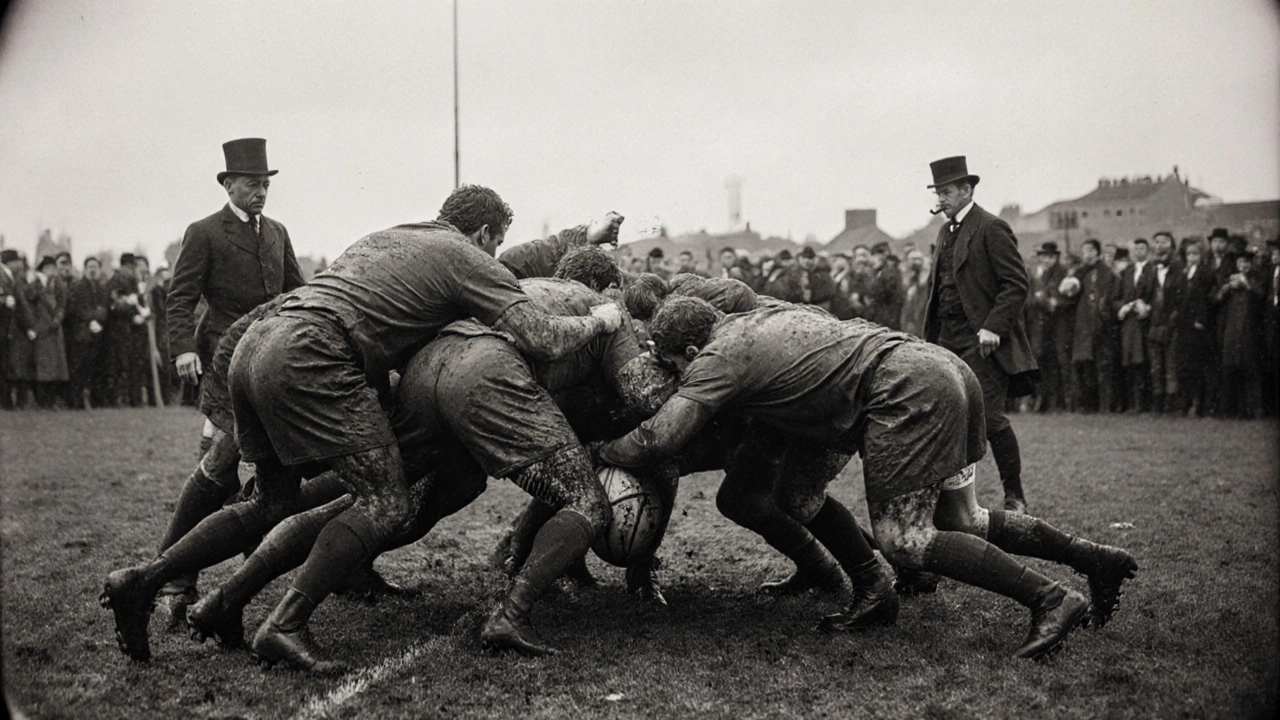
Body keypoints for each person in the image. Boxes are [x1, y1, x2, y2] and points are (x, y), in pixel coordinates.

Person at [101, 185, 624, 670]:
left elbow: (498, 271)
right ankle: (285, 624)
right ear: (484, 235)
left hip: (257, 344)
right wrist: (601, 320)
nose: (493, 255)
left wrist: (580, 236)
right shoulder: (465, 257)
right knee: (386, 502)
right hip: (313, 355)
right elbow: (540, 336)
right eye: (494, 244)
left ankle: (147, 580)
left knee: (270, 502)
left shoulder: (393, 238)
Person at [597, 297, 1135, 660]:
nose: (675, 373)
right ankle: (1092, 558)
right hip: (937, 367)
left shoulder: (718, 357)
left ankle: (1050, 599)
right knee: (946, 517)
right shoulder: (759, 315)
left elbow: (658, 440)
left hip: (905, 390)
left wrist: (599, 450)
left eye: (673, 364)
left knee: (906, 539)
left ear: (691, 350)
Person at [168, 138, 305, 453]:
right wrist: (184, 350)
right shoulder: (204, 232)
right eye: (253, 185)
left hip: (271, 347)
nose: (262, 193)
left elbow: (297, 291)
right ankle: (209, 495)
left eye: (266, 185)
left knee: (273, 435)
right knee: (224, 434)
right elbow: (180, 298)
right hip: (223, 349)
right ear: (229, 186)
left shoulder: (278, 232)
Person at [921, 156, 1037, 513]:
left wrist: (993, 327)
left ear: (967, 190)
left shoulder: (991, 227)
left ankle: (1014, 495)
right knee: (947, 417)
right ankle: (954, 499)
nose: (941, 198)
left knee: (989, 417)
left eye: (947, 191)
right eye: (938, 192)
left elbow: (1016, 285)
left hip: (983, 343)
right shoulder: (944, 232)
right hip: (947, 341)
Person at [1068, 240, 1118, 413]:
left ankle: (1106, 406)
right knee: (1085, 365)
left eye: (1090, 250)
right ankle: (1087, 405)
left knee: (1103, 366)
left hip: (1101, 325)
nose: (1087, 254)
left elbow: (1108, 297)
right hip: (1083, 326)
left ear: (1097, 252)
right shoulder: (1079, 273)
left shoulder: (1106, 272)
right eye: (1084, 251)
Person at [1214, 252, 1264, 418]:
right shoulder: (1229, 280)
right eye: (1241, 262)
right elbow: (1216, 300)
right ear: (1236, 264)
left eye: (1247, 263)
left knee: (1249, 370)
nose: (1244, 266)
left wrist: (1247, 284)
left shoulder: (1256, 279)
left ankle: (1251, 409)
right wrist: (1226, 288)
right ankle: (1229, 410)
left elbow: (1261, 297)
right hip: (1231, 333)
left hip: (1249, 333)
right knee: (1229, 370)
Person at [1114, 239, 1155, 413]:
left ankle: (1144, 404)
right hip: (1129, 324)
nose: (1139, 251)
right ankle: (1132, 403)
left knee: (1143, 362)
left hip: (1145, 323)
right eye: (1136, 248)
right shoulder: (1127, 271)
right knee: (1129, 363)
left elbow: (1157, 296)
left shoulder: (1152, 270)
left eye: (1142, 248)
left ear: (1148, 251)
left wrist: (1147, 306)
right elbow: (1116, 297)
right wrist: (1122, 306)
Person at [1175, 241, 1215, 416]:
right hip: (1184, 324)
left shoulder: (1206, 273)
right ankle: (1185, 402)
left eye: (1195, 254)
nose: (1192, 257)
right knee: (1185, 365)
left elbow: (1206, 299)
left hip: (1198, 325)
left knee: (1198, 365)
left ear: (1201, 255)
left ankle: (1199, 404)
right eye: (1189, 254)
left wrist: (1201, 318)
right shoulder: (1183, 273)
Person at [1027, 242, 1068, 411]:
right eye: (1044, 257)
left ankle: (1057, 402)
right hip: (1039, 326)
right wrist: (1041, 299)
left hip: (1057, 326)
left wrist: (1043, 299)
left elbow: (1058, 301)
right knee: (1041, 362)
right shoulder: (1036, 275)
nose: (1047, 260)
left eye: (1050, 257)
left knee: (1057, 362)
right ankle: (1043, 401)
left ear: (1056, 258)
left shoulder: (1062, 273)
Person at [1145, 232, 1183, 414]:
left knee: (1171, 365)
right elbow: (1146, 295)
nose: (1160, 246)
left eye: (1165, 242)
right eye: (1157, 242)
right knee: (1156, 366)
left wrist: (1171, 322)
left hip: (1173, 325)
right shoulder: (1151, 270)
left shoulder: (1179, 270)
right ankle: (1157, 403)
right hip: (1154, 323)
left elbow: (1181, 300)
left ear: (1172, 246)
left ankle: (1172, 403)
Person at [30, 256, 70, 408]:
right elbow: (30, 297)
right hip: (41, 328)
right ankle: (42, 400)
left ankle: (52, 400)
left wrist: (57, 319)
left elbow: (62, 305)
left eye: (53, 268)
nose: (51, 271)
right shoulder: (36, 284)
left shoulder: (59, 285)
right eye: (48, 268)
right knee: (43, 364)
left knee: (56, 365)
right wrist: (40, 284)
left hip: (54, 329)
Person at [899, 249, 930, 336]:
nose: (915, 262)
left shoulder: (926, 278)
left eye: (917, 259)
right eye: (912, 259)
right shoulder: (907, 277)